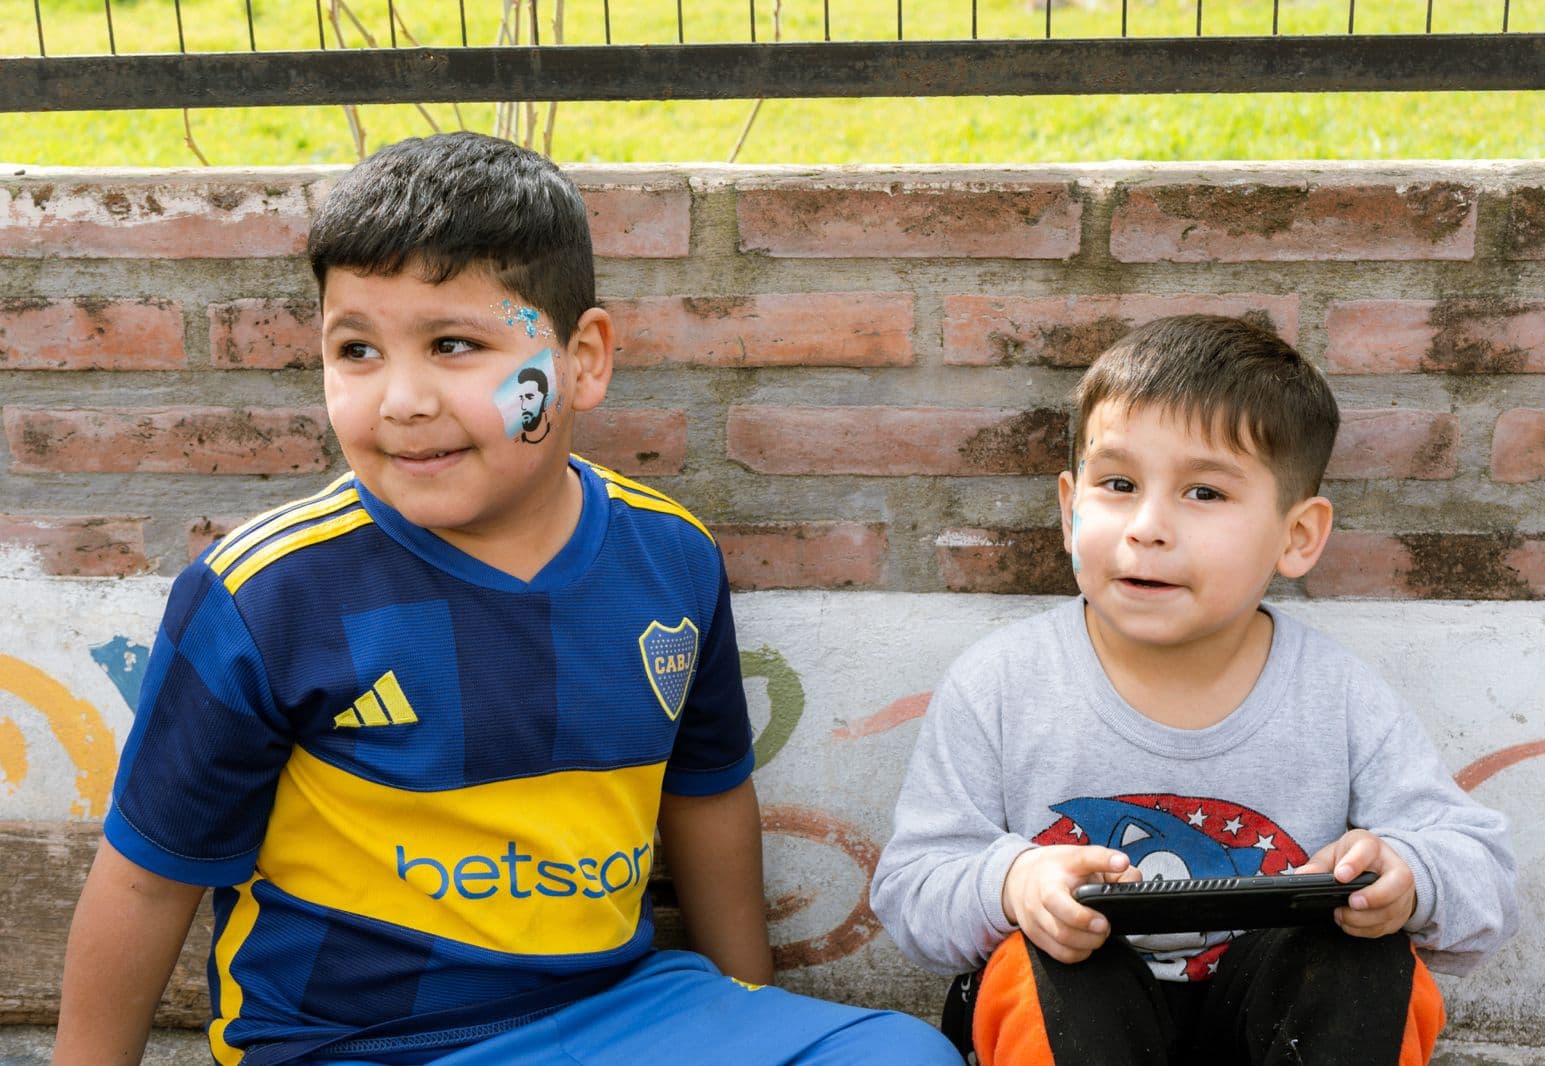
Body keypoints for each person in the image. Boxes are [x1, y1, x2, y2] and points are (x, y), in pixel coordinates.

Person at [55, 132, 961, 1066]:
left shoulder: (671, 559)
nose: (400, 399)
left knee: (903, 1056)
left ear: (585, 360)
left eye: (454, 345)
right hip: (356, 1043)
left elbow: (707, 794)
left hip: (622, 1008)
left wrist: (747, 1007)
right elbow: (144, 883)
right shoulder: (265, 594)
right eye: (356, 349)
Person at [869, 315, 1519, 1066]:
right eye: (1117, 485)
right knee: (1041, 964)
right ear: (1068, 506)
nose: (1147, 526)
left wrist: (1408, 878)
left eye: (1204, 492)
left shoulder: (1338, 696)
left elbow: (1485, 879)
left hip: (1274, 1028)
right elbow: (912, 890)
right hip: (1076, 1026)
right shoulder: (1002, 683)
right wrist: (1012, 882)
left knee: (1366, 959)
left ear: (1298, 536)